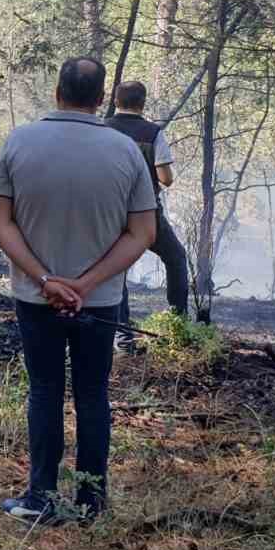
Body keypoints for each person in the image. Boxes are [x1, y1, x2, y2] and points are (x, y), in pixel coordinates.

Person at [0, 57, 156, 526]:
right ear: (101, 99)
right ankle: (90, 502)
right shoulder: (124, 152)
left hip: (35, 296)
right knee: (93, 394)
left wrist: (46, 280)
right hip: (98, 303)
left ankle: (41, 496)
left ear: (57, 90)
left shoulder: (20, 142)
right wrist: (86, 284)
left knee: (44, 389)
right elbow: (142, 232)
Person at [107, 80, 193, 352]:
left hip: (110, 212)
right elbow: (166, 179)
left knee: (117, 270)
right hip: (146, 213)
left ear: (115, 101)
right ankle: (178, 325)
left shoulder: (101, 129)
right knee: (176, 258)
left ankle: (123, 338)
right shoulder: (152, 132)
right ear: (142, 103)